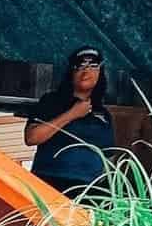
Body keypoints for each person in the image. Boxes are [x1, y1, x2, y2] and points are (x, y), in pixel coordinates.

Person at [23, 47, 115, 197]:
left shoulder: (103, 114)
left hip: (89, 191)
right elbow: (32, 137)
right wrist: (72, 114)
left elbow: (109, 158)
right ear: (71, 72)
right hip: (49, 183)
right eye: (80, 66)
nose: (86, 71)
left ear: (100, 72)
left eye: (93, 66)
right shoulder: (51, 101)